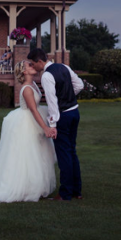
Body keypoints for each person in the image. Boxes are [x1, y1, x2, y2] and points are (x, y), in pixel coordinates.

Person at [0, 61, 56, 203]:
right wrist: (45, 128)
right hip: (26, 123)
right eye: (30, 66)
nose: (33, 66)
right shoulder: (27, 89)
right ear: (24, 72)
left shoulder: (34, 84)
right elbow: (33, 110)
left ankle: (36, 187)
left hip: (32, 120)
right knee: (26, 156)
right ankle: (24, 187)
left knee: (38, 156)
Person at [27, 48, 84, 201]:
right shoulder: (64, 66)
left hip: (63, 117)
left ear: (40, 61)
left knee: (64, 154)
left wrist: (52, 125)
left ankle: (65, 193)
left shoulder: (47, 76)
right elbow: (79, 85)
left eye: (33, 64)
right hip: (74, 112)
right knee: (72, 151)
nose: (33, 67)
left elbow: (52, 103)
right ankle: (76, 191)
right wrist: (69, 96)